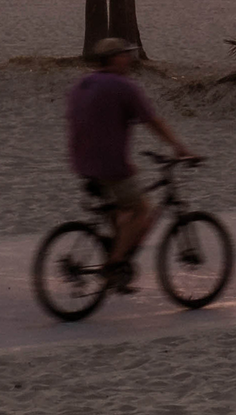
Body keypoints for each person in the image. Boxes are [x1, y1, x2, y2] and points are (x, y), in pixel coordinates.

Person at [67, 37, 196, 290]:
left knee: (118, 211)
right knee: (140, 210)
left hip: (82, 162)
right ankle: (114, 265)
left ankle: (116, 259)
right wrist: (178, 147)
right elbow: (152, 121)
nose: (128, 59)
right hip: (109, 164)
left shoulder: (83, 83)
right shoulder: (123, 86)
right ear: (114, 58)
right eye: (124, 55)